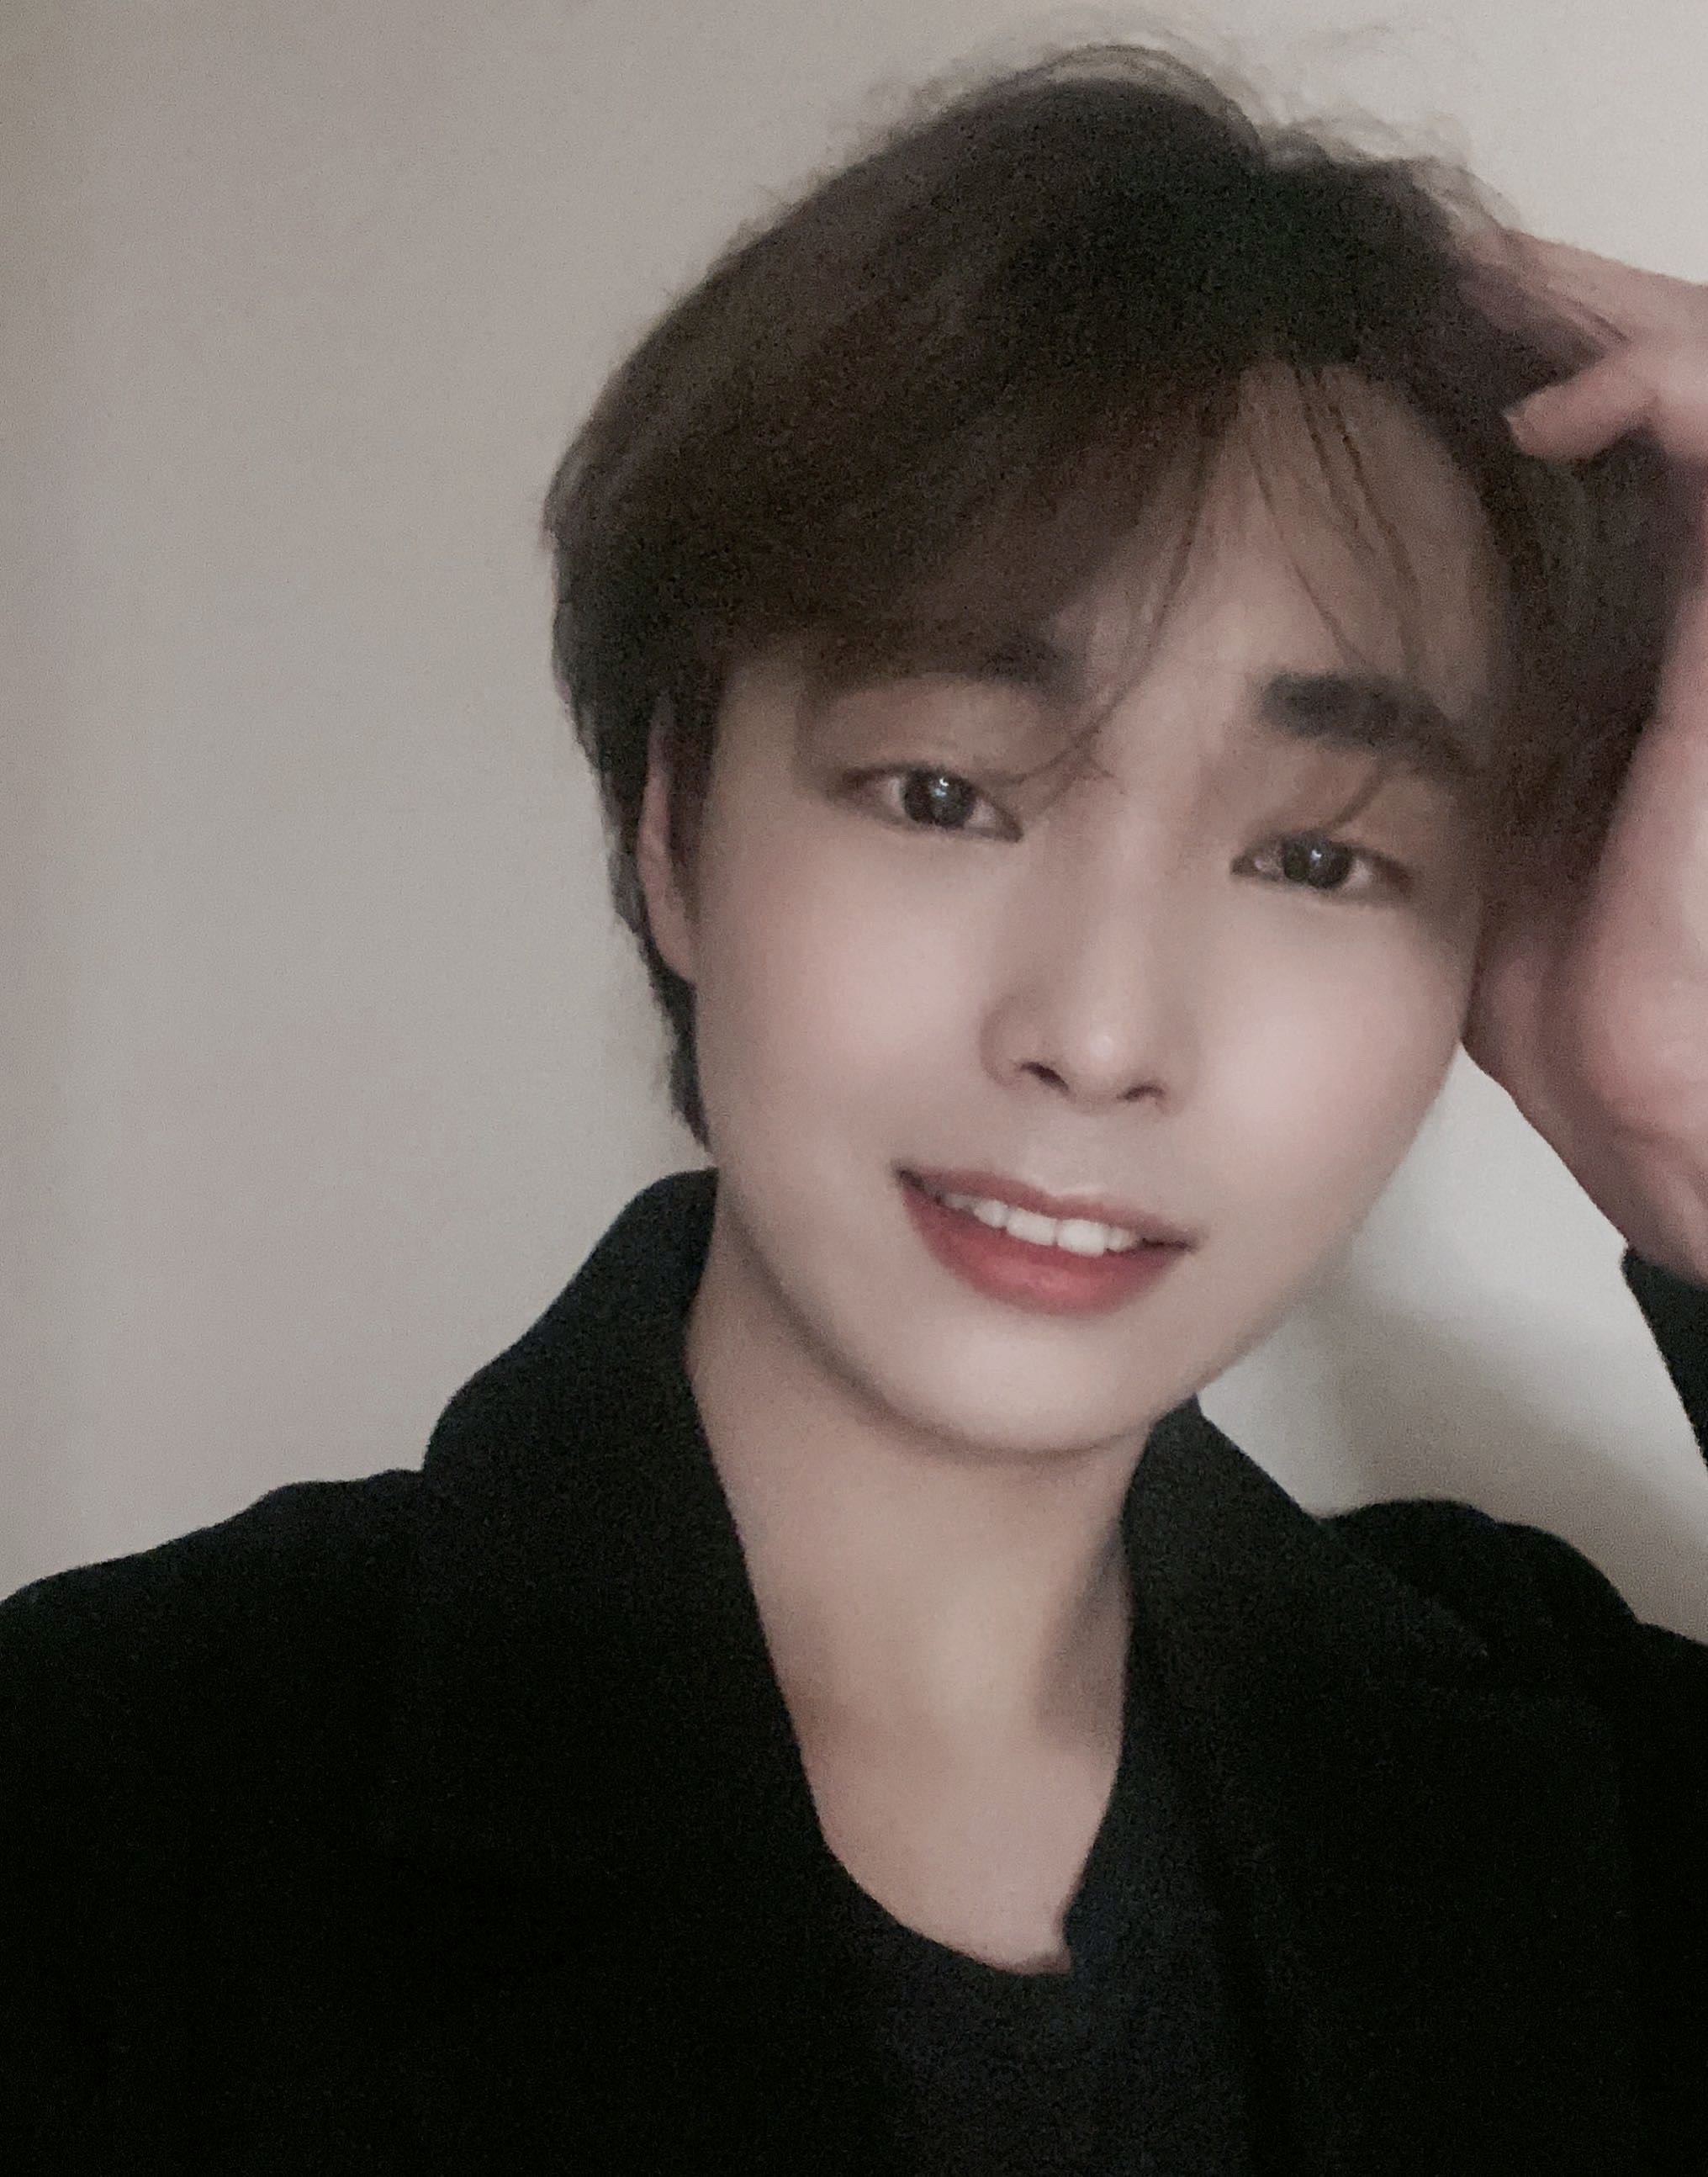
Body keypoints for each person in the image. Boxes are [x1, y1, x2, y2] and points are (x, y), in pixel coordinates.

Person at [4, 37, 1708, 2175]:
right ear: (672, 828)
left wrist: (1682, 1128)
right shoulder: (106, 1812)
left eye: (1313, 853)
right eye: (940, 794)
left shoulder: (1595, 1797)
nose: (1098, 1031)